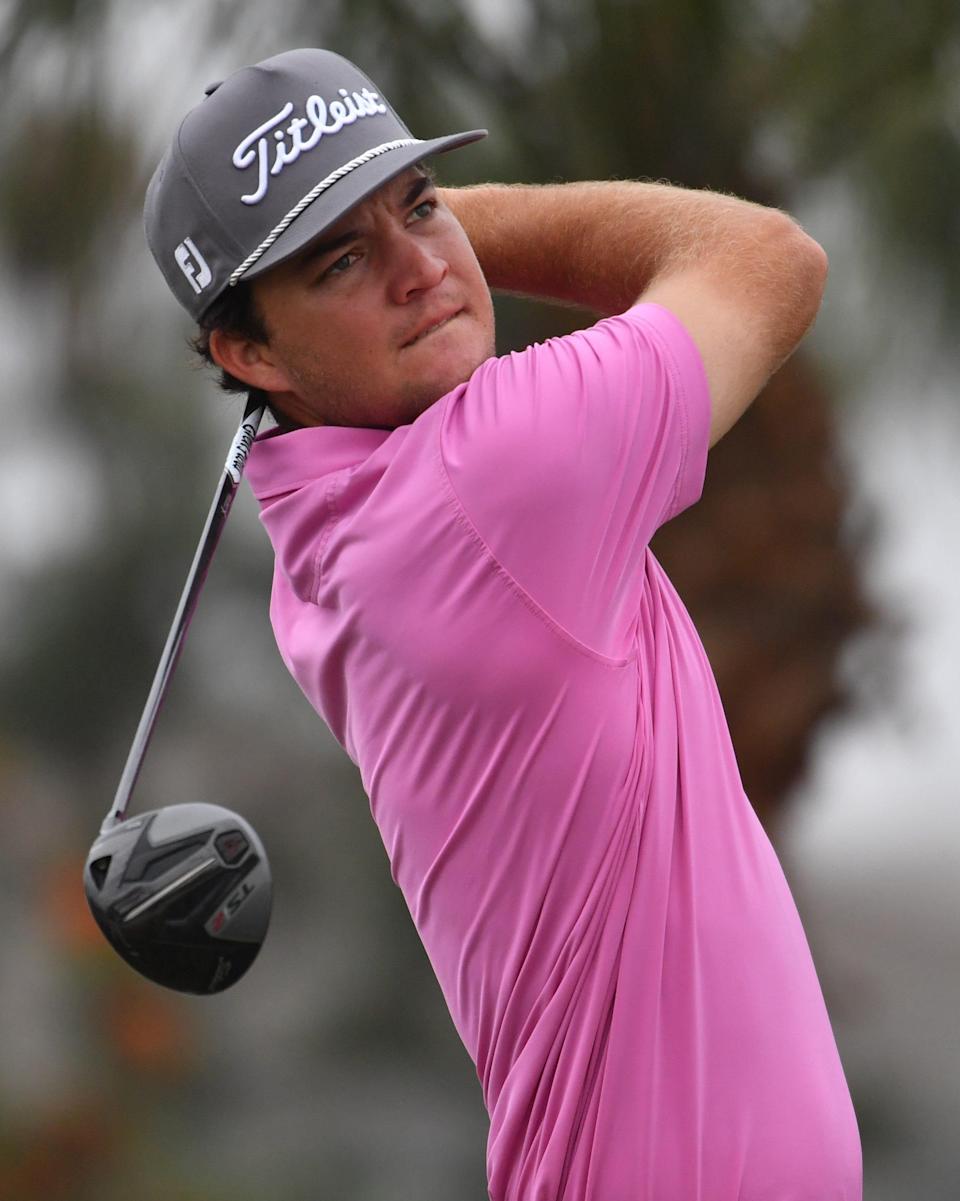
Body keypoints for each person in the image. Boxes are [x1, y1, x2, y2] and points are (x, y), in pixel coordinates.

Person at [146, 47, 862, 1201]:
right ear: (250, 351)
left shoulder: (328, 531)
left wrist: (371, 232)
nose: (421, 268)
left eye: (423, 205)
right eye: (342, 259)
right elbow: (770, 261)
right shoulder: (491, 477)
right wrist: (459, 223)